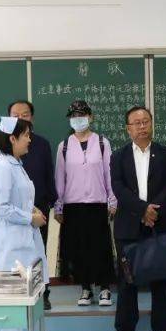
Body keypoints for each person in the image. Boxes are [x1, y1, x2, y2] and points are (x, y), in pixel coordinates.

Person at [109, 106, 166, 331]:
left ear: (151, 124)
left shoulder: (165, 153)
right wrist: (142, 210)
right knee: (127, 280)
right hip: (129, 224)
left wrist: (153, 211)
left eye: (146, 121)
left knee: (161, 279)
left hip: (158, 223)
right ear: (128, 128)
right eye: (137, 123)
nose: (142, 126)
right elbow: (118, 187)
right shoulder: (118, 156)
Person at [0, 99, 55, 309]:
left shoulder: (17, 164)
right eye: (25, 136)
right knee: (15, 304)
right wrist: (30, 217)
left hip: (26, 239)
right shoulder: (2, 166)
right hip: (13, 244)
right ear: (12, 138)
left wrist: (34, 210)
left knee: (29, 300)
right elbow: (0, 207)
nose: (29, 140)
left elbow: (22, 197)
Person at [54, 100, 117, 308]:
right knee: (79, 249)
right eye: (74, 116)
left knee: (101, 247)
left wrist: (112, 200)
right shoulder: (64, 146)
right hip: (73, 206)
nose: (78, 119)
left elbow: (109, 173)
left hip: (97, 204)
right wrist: (59, 206)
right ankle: (85, 288)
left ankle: (105, 288)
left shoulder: (102, 143)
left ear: (90, 117)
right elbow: (59, 178)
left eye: (81, 114)